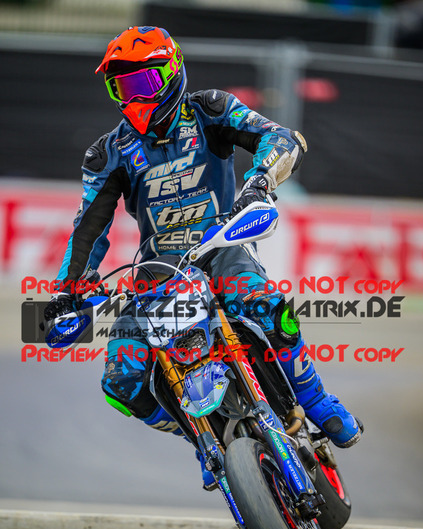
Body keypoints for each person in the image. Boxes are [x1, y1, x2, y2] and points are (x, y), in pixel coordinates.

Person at [44, 26, 362, 488]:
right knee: (120, 383)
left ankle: (316, 400)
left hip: (220, 245)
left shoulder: (210, 109)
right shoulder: (108, 152)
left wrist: (259, 183)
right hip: (157, 272)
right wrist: (67, 292)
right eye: (122, 87)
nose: (134, 97)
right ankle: (204, 438)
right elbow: (87, 227)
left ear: (172, 73)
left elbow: (281, 138)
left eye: (143, 82)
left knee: (267, 305)